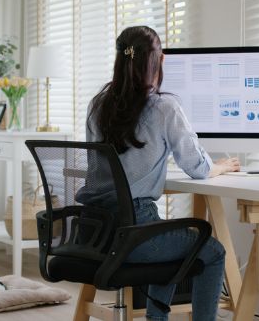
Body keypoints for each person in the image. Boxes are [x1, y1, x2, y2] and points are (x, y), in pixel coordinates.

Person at [83, 25, 240, 321]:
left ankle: (157, 318)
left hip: (96, 232)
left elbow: (100, 170)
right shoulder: (163, 107)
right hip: (135, 234)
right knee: (213, 251)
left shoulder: (98, 105)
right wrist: (222, 166)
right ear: (159, 60)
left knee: (172, 237)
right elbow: (198, 167)